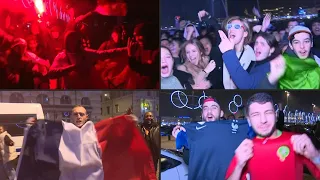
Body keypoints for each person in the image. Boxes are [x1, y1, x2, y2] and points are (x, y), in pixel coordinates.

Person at [18, 105, 156, 180]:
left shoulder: (96, 132)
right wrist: (33, 128)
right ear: (71, 116)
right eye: (75, 114)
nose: (78, 116)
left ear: (86, 116)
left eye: (81, 114)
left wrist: (126, 123)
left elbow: (115, 133)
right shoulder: (60, 134)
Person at [225, 93, 320, 180]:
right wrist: (239, 166)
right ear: (249, 120)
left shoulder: (295, 141)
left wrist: (315, 155)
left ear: (276, 115)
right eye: (256, 114)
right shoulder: (245, 149)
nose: (263, 120)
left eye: (268, 112)